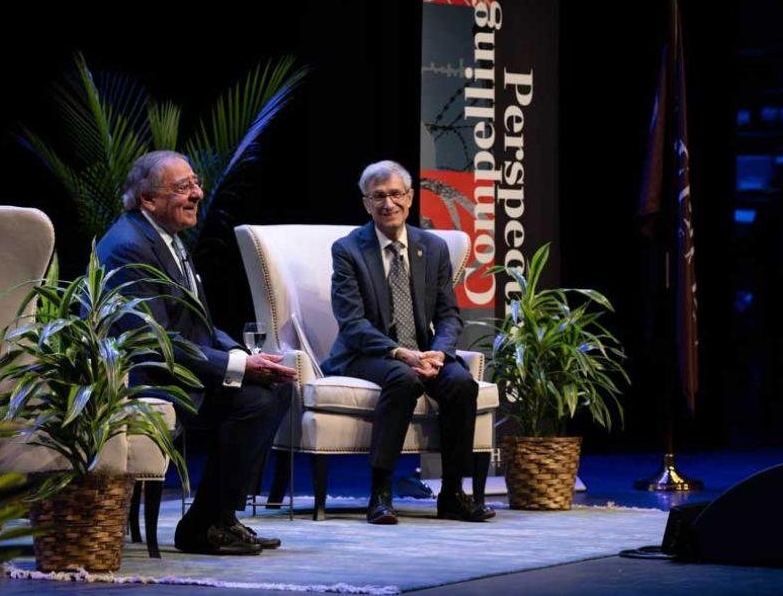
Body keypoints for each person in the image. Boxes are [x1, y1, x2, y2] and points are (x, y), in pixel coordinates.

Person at [97, 150, 296, 555]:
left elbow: (200, 325)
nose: (197, 194)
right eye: (183, 187)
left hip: (177, 369)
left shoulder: (166, 238)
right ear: (148, 200)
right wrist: (239, 366)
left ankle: (222, 515)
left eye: (195, 183)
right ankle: (200, 526)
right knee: (256, 401)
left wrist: (241, 354)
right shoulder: (129, 246)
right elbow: (154, 339)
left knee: (274, 389)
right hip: (148, 379)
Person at [321, 160, 496, 525]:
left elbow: (449, 315)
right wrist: (401, 352)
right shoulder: (348, 250)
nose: (389, 204)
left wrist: (440, 352)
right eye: (379, 196)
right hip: (367, 353)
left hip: (423, 351)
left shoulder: (432, 248)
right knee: (403, 378)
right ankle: (380, 494)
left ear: (410, 197)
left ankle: (452, 494)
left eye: (396, 194)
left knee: (462, 383)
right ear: (366, 203)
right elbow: (352, 324)